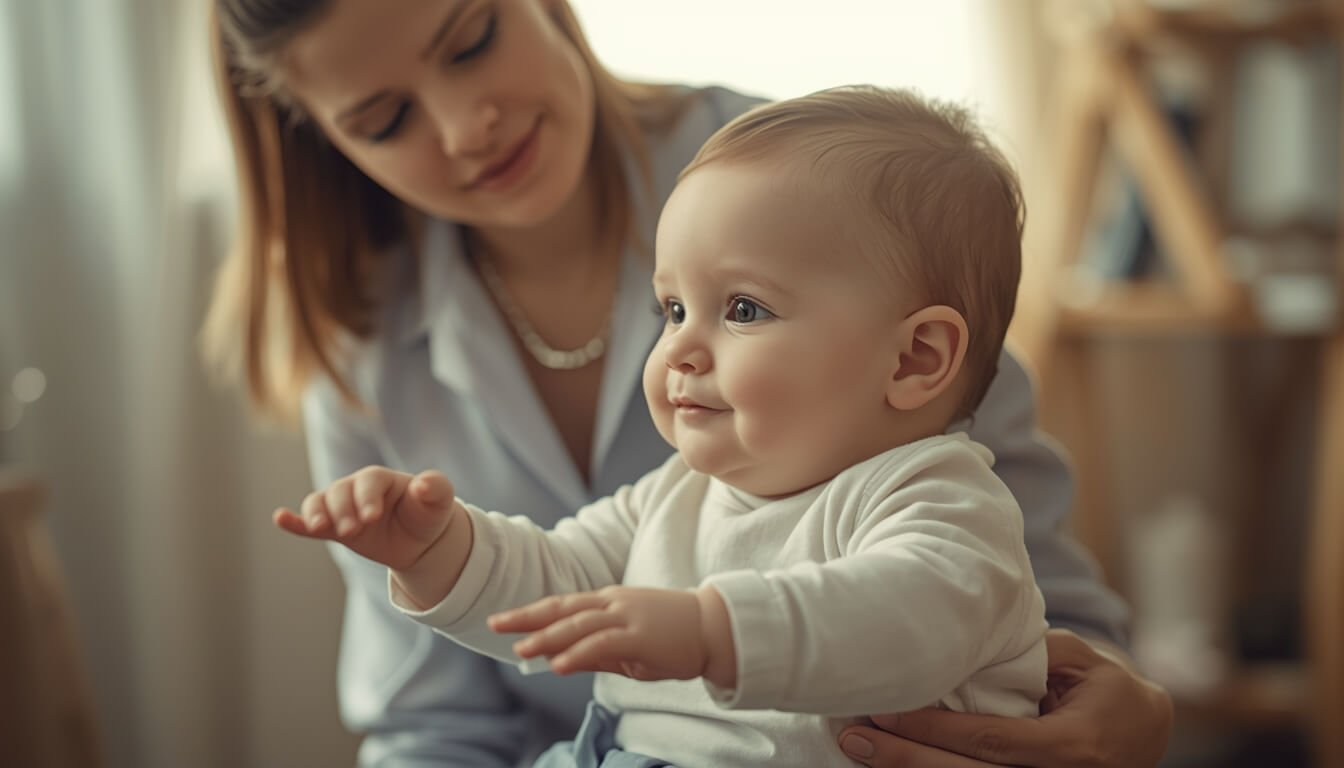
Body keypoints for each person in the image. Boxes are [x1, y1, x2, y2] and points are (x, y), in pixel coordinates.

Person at [204, 1, 1173, 766]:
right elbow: (536, 606)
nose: (467, 127)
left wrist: (713, 631)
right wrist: (439, 553)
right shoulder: (675, 491)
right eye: (384, 120)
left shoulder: (840, 209)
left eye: (472, 40)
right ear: (325, 139)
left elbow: (985, 606)